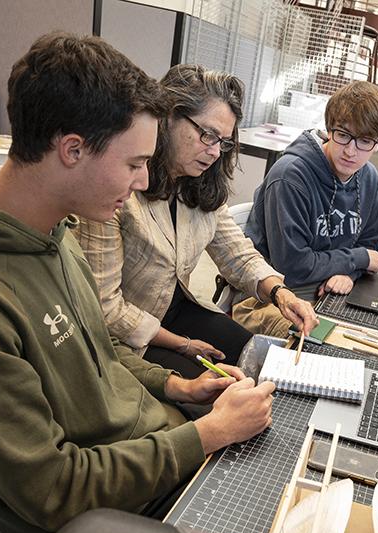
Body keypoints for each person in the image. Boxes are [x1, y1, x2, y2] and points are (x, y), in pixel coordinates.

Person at [0, 33, 275, 533]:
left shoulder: (54, 234)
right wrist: (206, 437)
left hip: (153, 454)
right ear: (72, 149)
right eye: (134, 162)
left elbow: (98, 351)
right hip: (108, 519)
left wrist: (179, 387)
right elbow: (52, 489)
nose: (143, 181)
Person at [75, 64, 317, 378]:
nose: (215, 151)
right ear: (169, 117)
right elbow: (105, 308)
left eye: (223, 142)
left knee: (260, 363)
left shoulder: (197, 185)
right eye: (207, 135)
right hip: (128, 336)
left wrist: (280, 295)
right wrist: (182, 345)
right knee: (222, 389)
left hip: (176, 312)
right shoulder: (120, 192)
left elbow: (237, 254)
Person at [236, 81, 378, 337]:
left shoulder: (370, 178)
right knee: (324, 349)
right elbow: (294, 266)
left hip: (327, 290)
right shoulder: (290, 177)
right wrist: (357, 259)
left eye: (365, 141)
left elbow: (371, 243)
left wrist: (349, 274)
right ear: (329, 129)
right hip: (271, 296)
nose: (351, 151)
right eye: (343, 135)